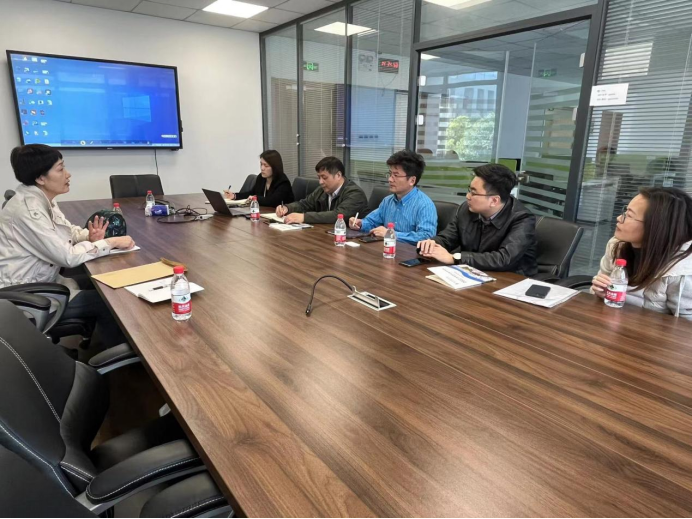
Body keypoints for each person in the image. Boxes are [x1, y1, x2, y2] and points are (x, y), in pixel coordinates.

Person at [0, 144, 136, 347]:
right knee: (112, 301)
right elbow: (68, 257)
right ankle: (116, 360)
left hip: (42, 281)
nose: (68, 174)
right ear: (41, 178)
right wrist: (110, 242)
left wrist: (89, 236)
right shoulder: (29, 211)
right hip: (26, 298)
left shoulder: (40, 197)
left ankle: (101, 343)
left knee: (103, 282)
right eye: (61, 168)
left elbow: (67, 230)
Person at [417, 163, 538, 276]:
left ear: (494, 200)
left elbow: (504, 258)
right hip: (473, 273)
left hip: (512, 278)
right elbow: (448, 238)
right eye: (469, 190)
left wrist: (455, 258)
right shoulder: (467, 209)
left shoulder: (522, 219)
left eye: (473, 193)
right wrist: (432, 244)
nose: (468, 196)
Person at [591, 187, 692, 319]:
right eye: (625, 211)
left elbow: (686, 326)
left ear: (656, 226)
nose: (619, 218)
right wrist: (600, 292)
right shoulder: (616, 245)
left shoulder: (682, 271)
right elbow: (596, 293)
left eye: (629, 216)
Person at [349, 150, 437, 245]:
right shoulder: (388, 201)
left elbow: (426, 237)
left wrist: (390, 234)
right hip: (386, 249)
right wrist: (360, 224)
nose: (390, 179)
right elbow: (372, 222)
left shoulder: (424, 205)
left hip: (409, 253)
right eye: (390, 174)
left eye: (396, 175)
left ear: (412, 180)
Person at [276, 157, 367, 225]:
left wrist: (304, 217)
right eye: (319, 177)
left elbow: (337, 215)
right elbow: (305, 204)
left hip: (347, 239)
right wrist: (287, 208)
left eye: (324, 177)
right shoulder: (322, 190)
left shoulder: (355, 193)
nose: (320, 182)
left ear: (338, 175)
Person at [223, 150, 294, 207]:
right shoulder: (261, 178)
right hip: (264, 213)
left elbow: (273, 201)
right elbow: (252, 193)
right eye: (261, 164)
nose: (262, 168)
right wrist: (234, 196)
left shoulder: (283, 182)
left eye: (266, 165)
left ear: (274, 167)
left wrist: (255, 198)